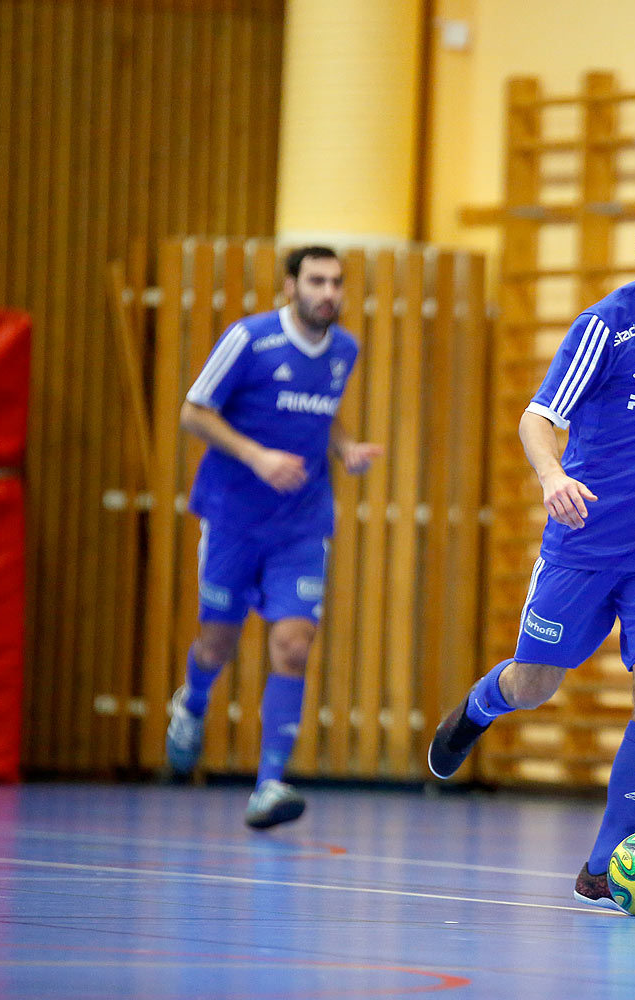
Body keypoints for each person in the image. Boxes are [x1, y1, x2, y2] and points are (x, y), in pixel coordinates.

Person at [425, 185, 635, 908]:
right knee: (536, 685)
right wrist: (550, 476)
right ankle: (481, 705)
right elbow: (539, 417)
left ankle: (603, 865)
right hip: (586, 541)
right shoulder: (607, 327)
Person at [166, 246, 382, 829]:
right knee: (218, 644)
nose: (328, 293)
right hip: (234, 518)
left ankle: (268, 785)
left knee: (293, 644)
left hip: (302, 523)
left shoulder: (344, 349)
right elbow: (193, 411)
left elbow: (323, 413)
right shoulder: (249, 339)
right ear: (290, 285)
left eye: (336, 282)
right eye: (316, 281)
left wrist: (345, 449)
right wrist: (258, 457)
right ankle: (192, 701)